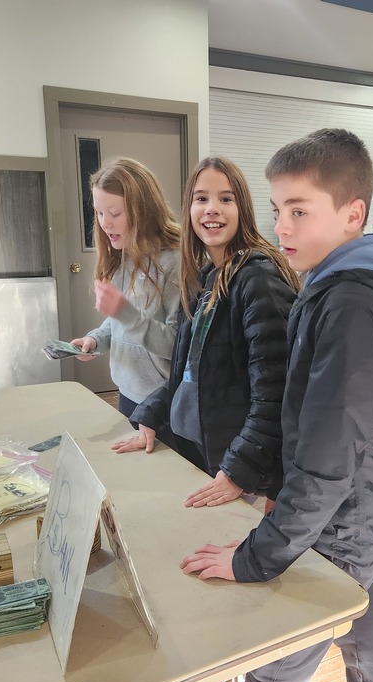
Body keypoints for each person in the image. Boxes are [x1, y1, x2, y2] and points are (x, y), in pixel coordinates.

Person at [181, 128, 373, 682]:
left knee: (275, 673)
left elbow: (328, 460)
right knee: (372, 649)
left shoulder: (349, 304)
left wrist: (256, 556)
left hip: (344, 527)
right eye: (278, 209)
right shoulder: (343, 287)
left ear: (353, 214)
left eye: (299, 210)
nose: (282, 226)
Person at [111, 156, 300, 512]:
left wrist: (238, 471)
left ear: (242, 208)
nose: (212, 209)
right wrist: (150, 417)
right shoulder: (208, 276)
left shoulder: (258, 279)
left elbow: (275, 394)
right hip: (204, 455)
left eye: (225, 199)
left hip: (240, 473)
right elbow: (187, 372)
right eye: (201, 198)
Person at [71, 157, 182, 421]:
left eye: (115, 213)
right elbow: (119, 321)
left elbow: (178, 346)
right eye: (99, 213)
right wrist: (96, 339)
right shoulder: (124, 256)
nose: (105, 223)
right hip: (127, 395)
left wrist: (124, 312)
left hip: (162, 405)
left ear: (144, 210)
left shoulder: (176, 262)